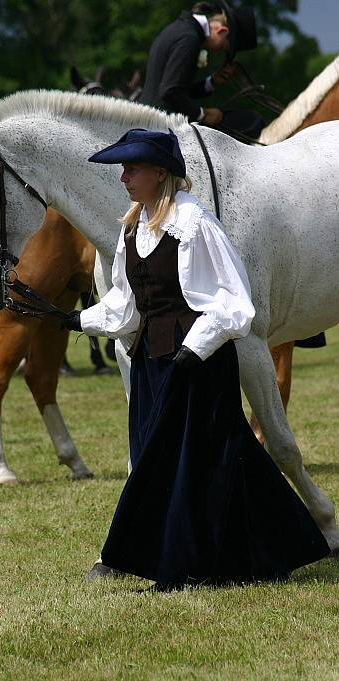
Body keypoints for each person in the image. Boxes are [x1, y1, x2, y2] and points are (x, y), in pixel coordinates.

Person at [62, 128, 329, 590]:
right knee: (189, 457)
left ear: (160, 174)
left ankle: (173, 570)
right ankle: (280, 545)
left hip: (197, 363)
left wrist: (194, 349)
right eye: (123, 169)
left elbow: (234, 300)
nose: (123, 177)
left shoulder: (195, 223)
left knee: (182, 462)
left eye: (132, 168)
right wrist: (72, 320)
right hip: (152, 362)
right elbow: (127, 306)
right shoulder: (133, 228)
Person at [139, 1, 264, 140]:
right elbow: (170, 91)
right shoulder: (189, 38)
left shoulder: (182, 28)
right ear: (222, 31)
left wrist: (212, 82)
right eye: (223, 47)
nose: (218, 51)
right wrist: (203, 114)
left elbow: (177, 89)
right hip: (162, 123)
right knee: (250, 122)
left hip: (155, 116)